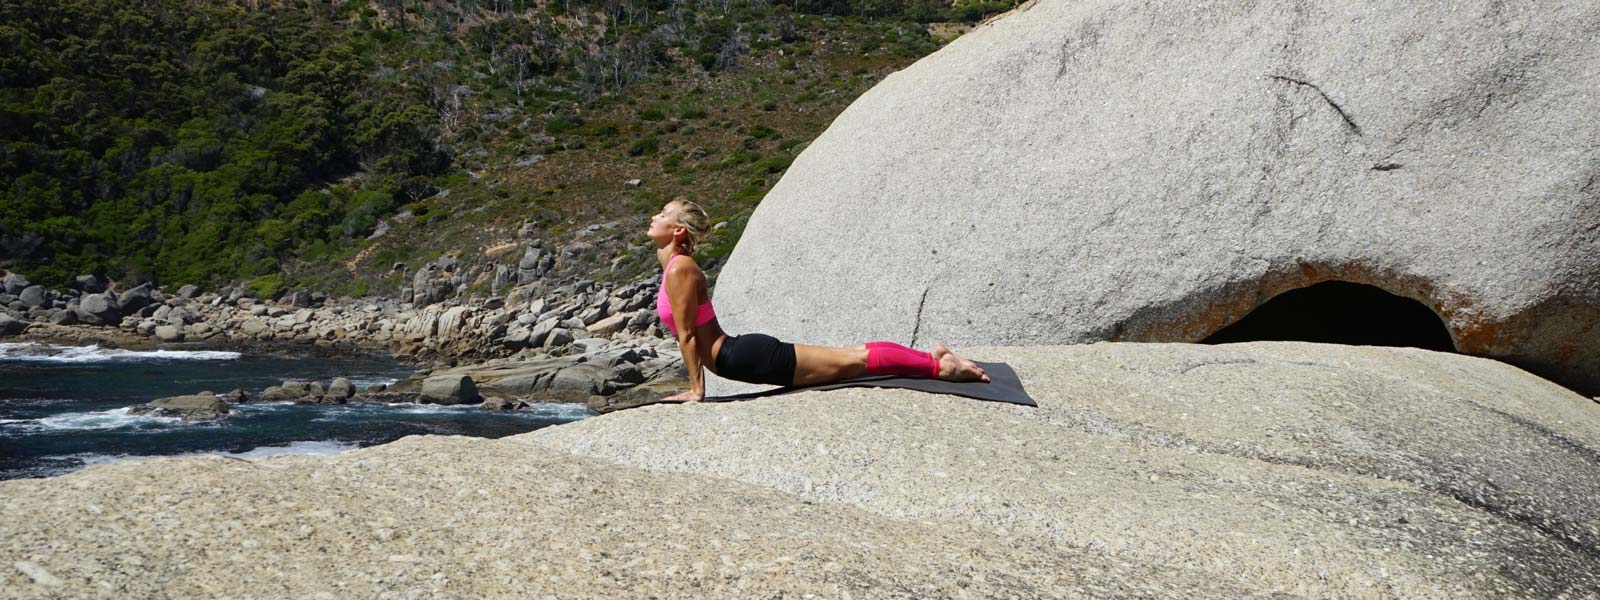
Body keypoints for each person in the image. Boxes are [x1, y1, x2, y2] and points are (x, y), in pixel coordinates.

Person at [647, 198, 989, 402]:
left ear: (678, 231)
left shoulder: (681, 270)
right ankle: (931, 358)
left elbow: (688, 335)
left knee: (855, 362)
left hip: (742, 358)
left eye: (663, 213)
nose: (654, 217)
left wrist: (696, 391)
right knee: (852, 357)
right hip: (739, 355)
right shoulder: (676, 267)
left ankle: (938, 367)